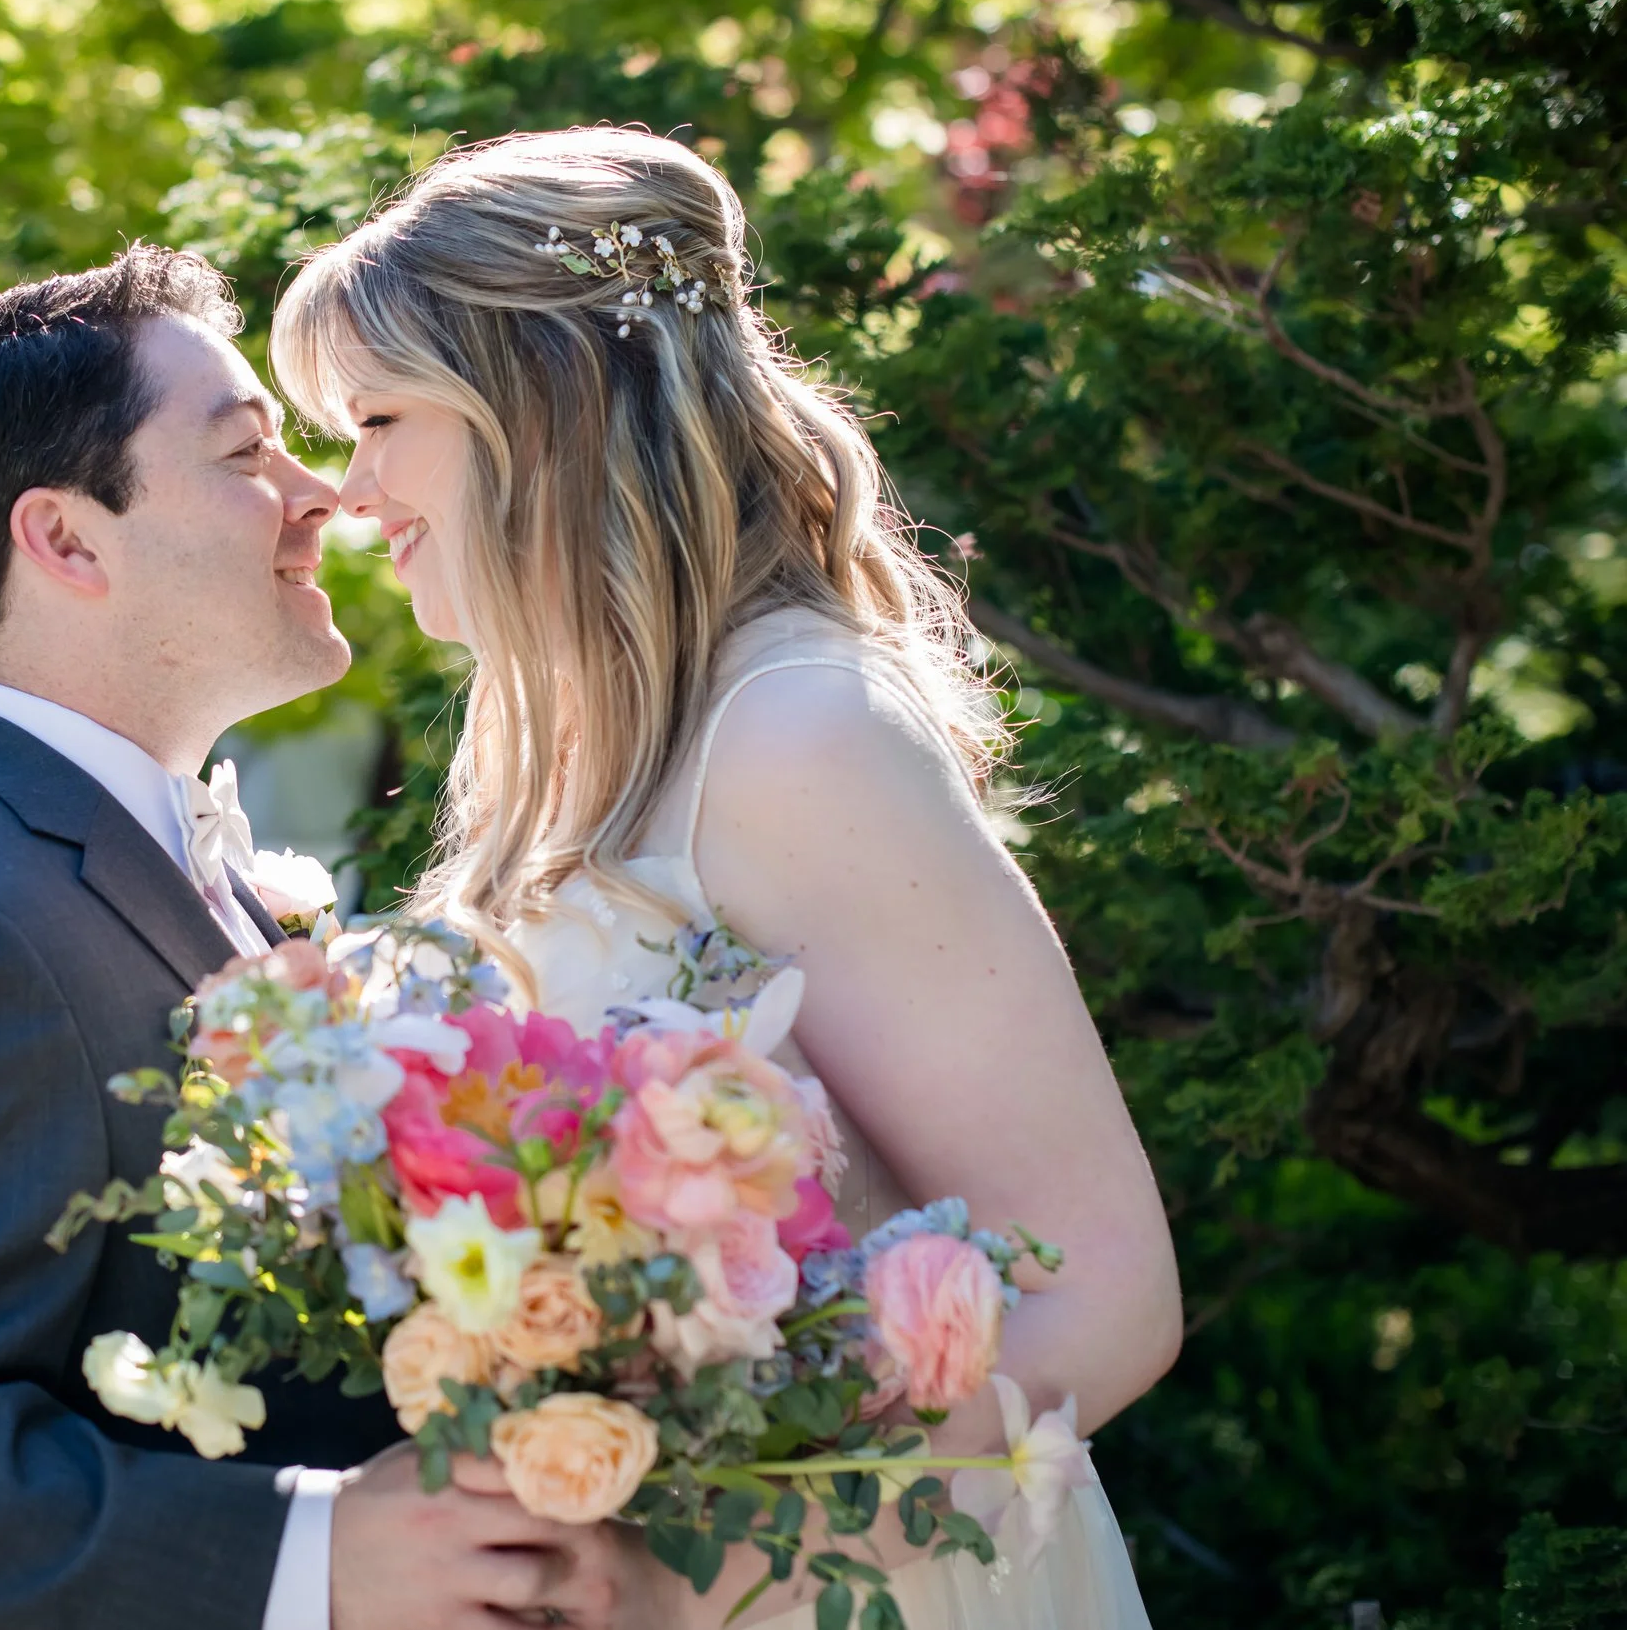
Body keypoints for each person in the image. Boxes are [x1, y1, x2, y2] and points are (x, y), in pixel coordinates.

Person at [271, 128, 1182, 1628]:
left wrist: (702, 1570)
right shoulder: (557, 733)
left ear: (540, 409)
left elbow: (1106, 1294)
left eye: (376, 417)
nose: (351, 489)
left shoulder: (795, 731)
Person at [0, 244, 677, 1630]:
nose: (326, 496)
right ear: (66, 539)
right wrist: (312, 1555)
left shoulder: (185, 858)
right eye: (250, 454)